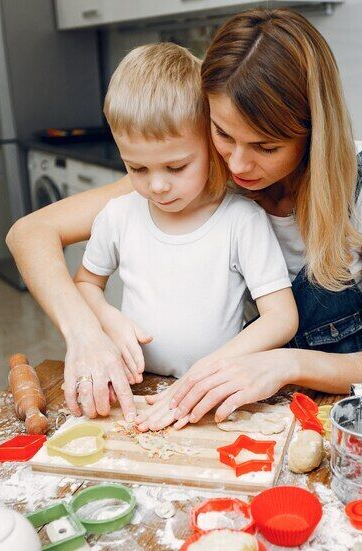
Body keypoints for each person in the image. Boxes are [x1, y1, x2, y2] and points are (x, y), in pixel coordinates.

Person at [6, 8, 362, 430]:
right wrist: (86, 332)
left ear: (313, 133)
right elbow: (30, 233)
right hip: (267, 409)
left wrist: (284, 363)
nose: (238, 163)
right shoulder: (193, 173)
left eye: (265, 146)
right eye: (222, 133)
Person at [71, 43, 298, 423]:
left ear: (212, 144)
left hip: (214, 392)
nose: (157, 186)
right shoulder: (118, 216)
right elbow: (85, 283)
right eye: (137, 169)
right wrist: (107, 319)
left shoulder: (241, 220)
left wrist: (208, 371)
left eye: (176, 167)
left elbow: (281, 318)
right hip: (139, 388)